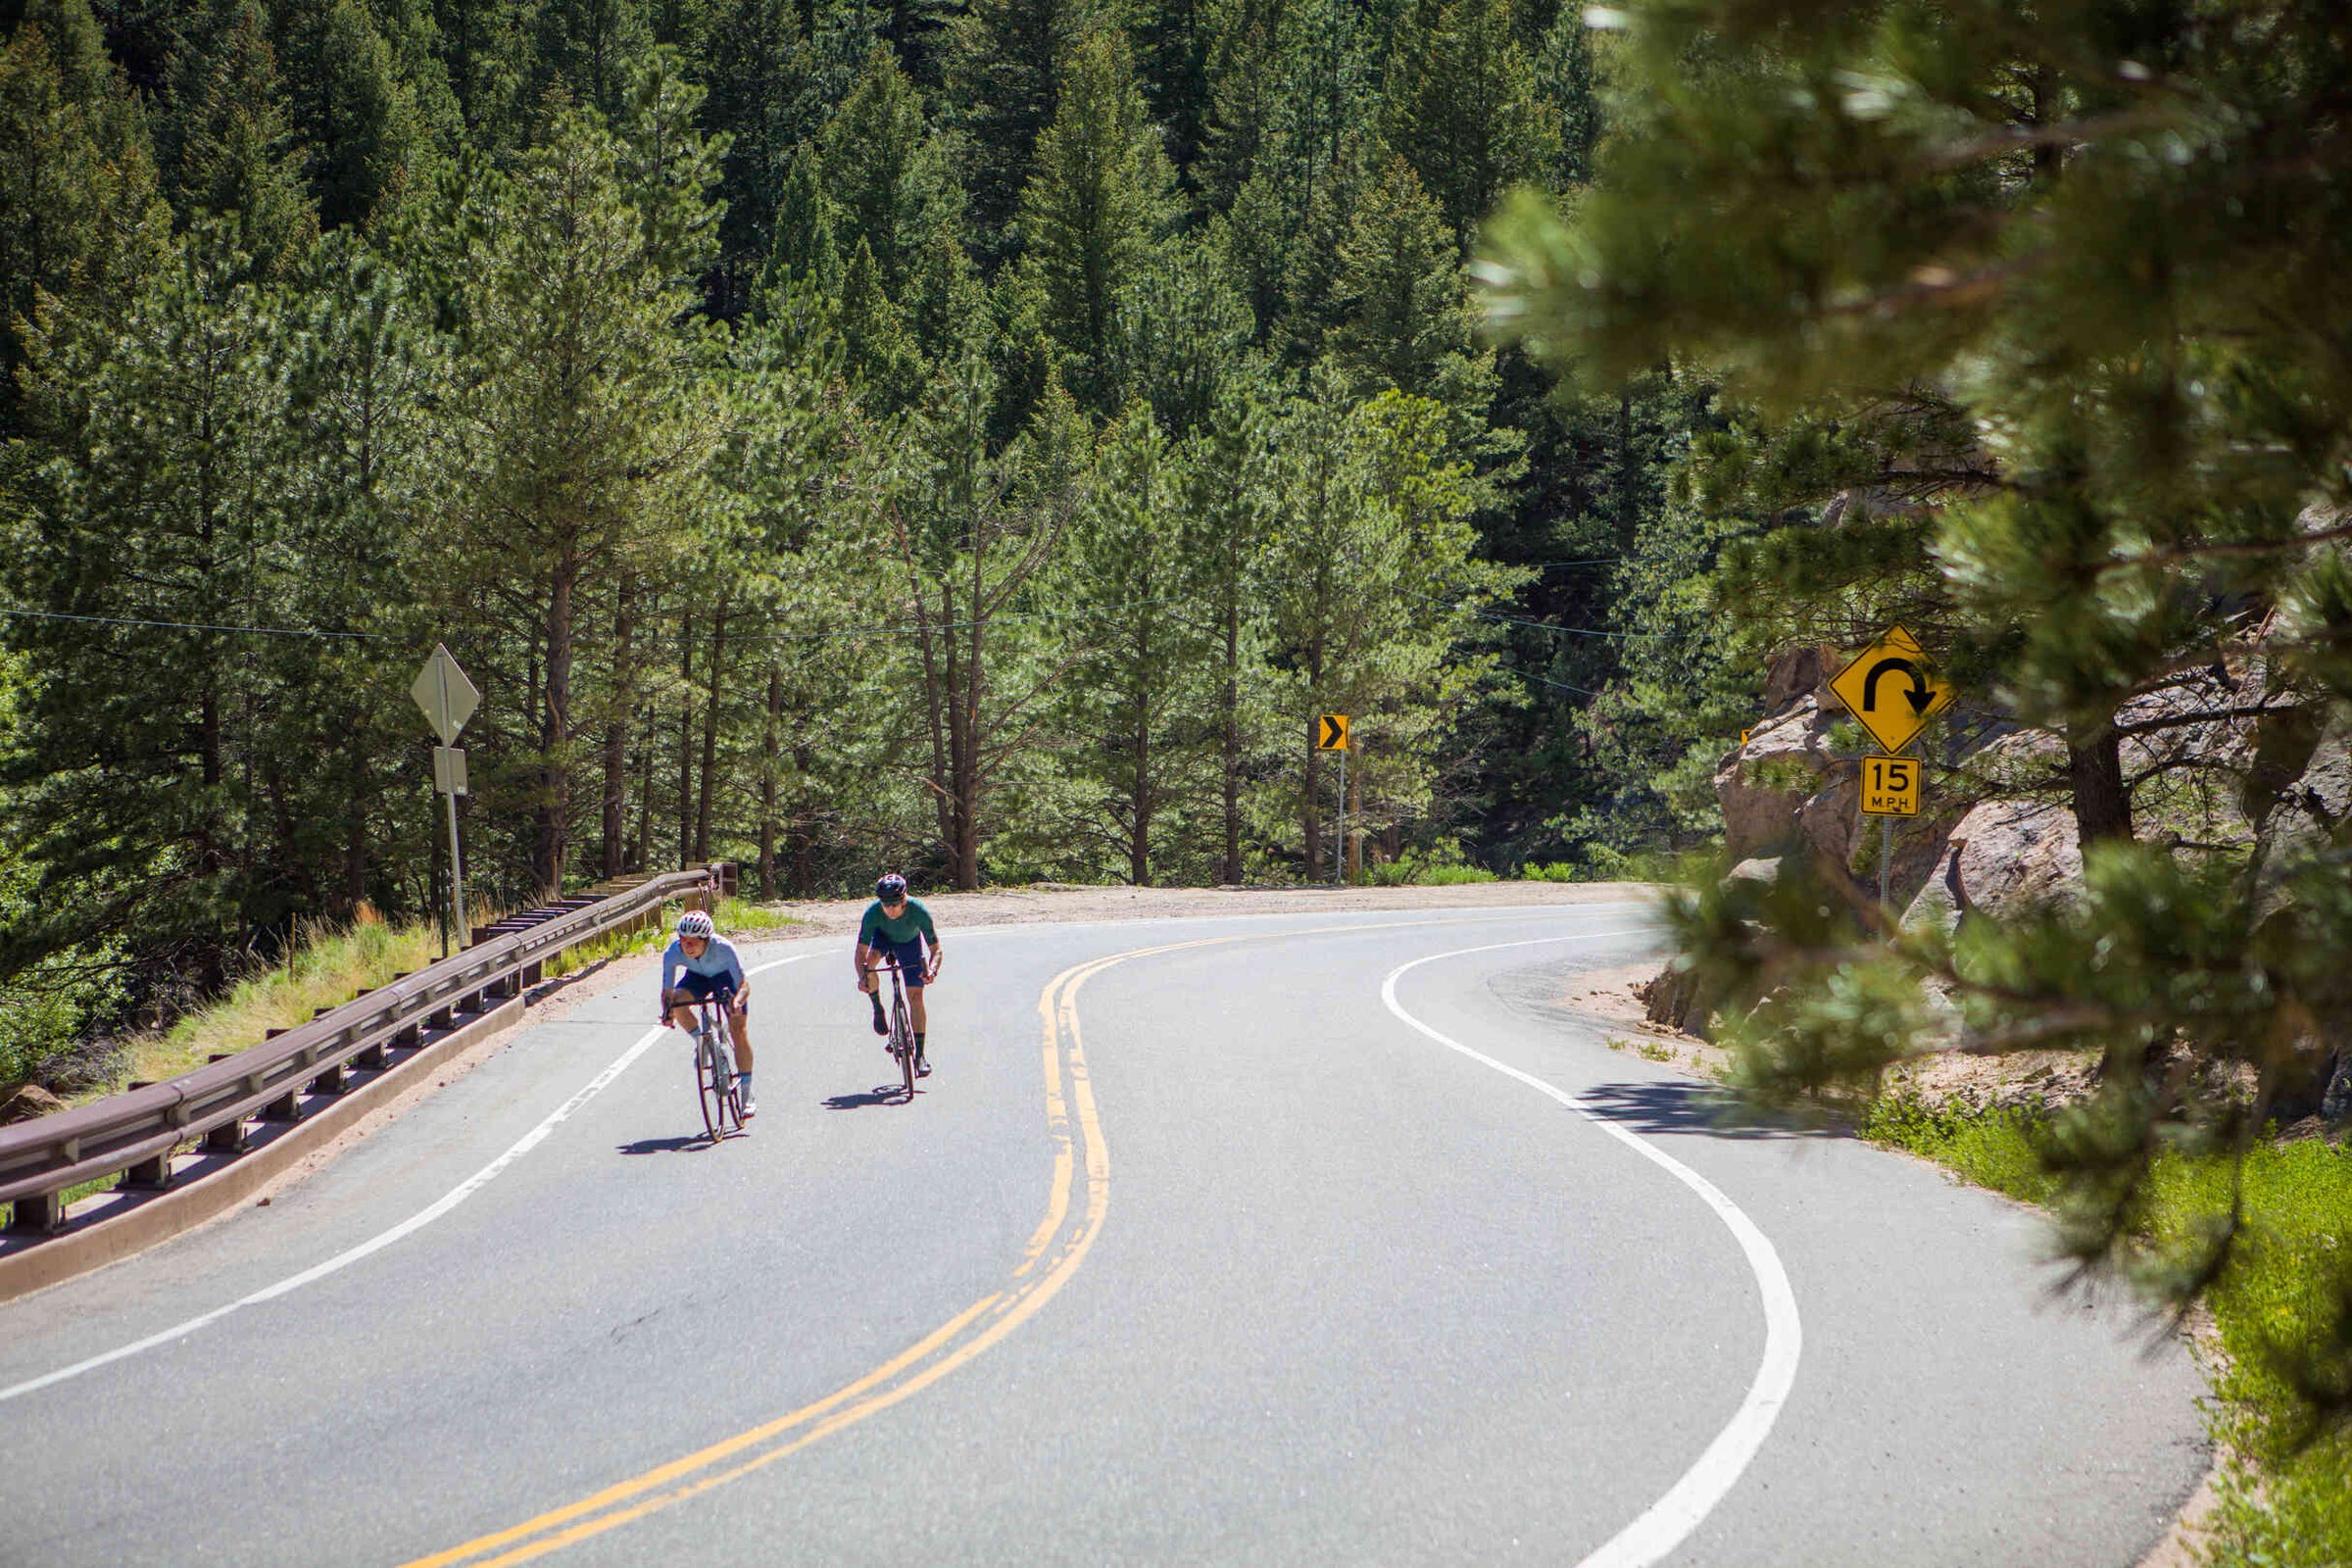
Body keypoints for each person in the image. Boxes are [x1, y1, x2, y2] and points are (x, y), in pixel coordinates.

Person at [662, 908, 756, 1117]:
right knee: (676, 1002)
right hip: (696, 977)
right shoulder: (673, 952)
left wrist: (737, 1002)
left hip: (724, 979)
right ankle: (701, 1041)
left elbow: (744, 985)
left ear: (706, 940)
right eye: (684, 940)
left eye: (694, 941)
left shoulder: (724, 949)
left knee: (738, 1029)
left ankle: (747, 1091)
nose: (687, 946)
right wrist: (667, 1012)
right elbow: (667, 992)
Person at [856, 873, 941, 1075]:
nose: (890, 909)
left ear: (904, 899)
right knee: (869, 967)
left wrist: (932, 969)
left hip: (909, 945)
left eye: (895, 904)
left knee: (915, 996)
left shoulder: (918, 911)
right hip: (882, 941)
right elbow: (861, 952)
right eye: (886, 905)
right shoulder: (872, 913)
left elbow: (936, 950)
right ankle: (877, 1007)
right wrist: (862, 976)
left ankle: (920, 1055)